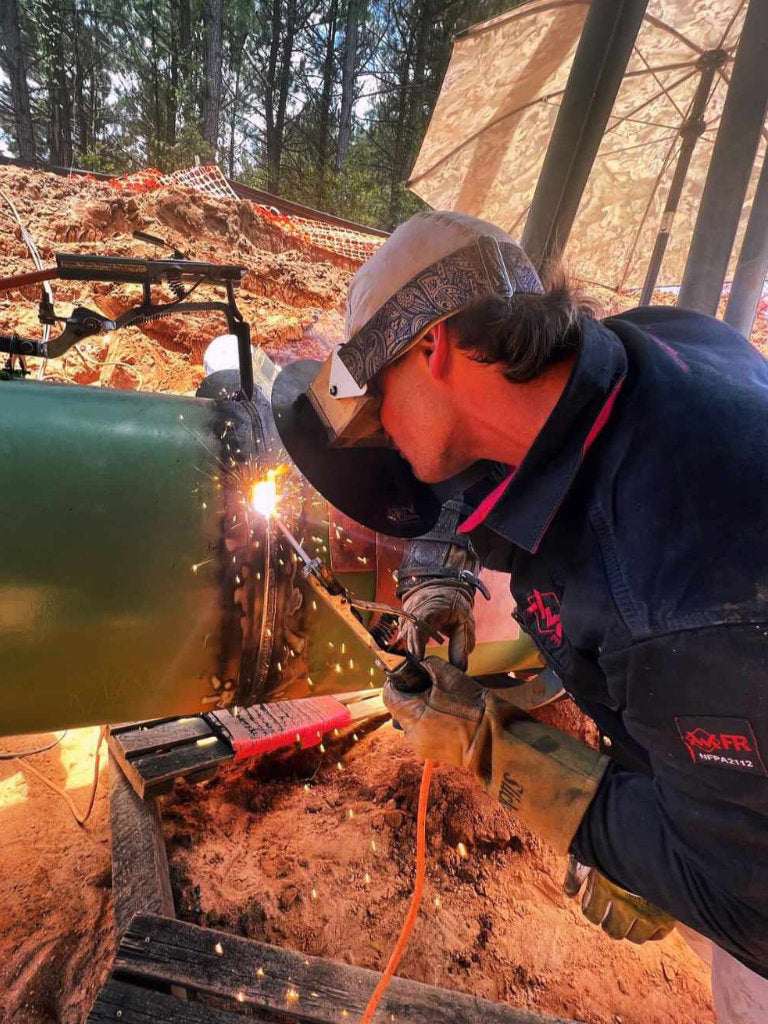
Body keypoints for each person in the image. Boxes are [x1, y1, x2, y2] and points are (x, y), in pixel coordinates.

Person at [271, 210, 768, 1023]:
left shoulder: (678, 591)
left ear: (432, 347)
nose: (385, 436)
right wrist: (441, 577)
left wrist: (494, 748)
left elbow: (745, 899)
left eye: (380, 407)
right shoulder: (657, 347)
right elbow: (486, 471)